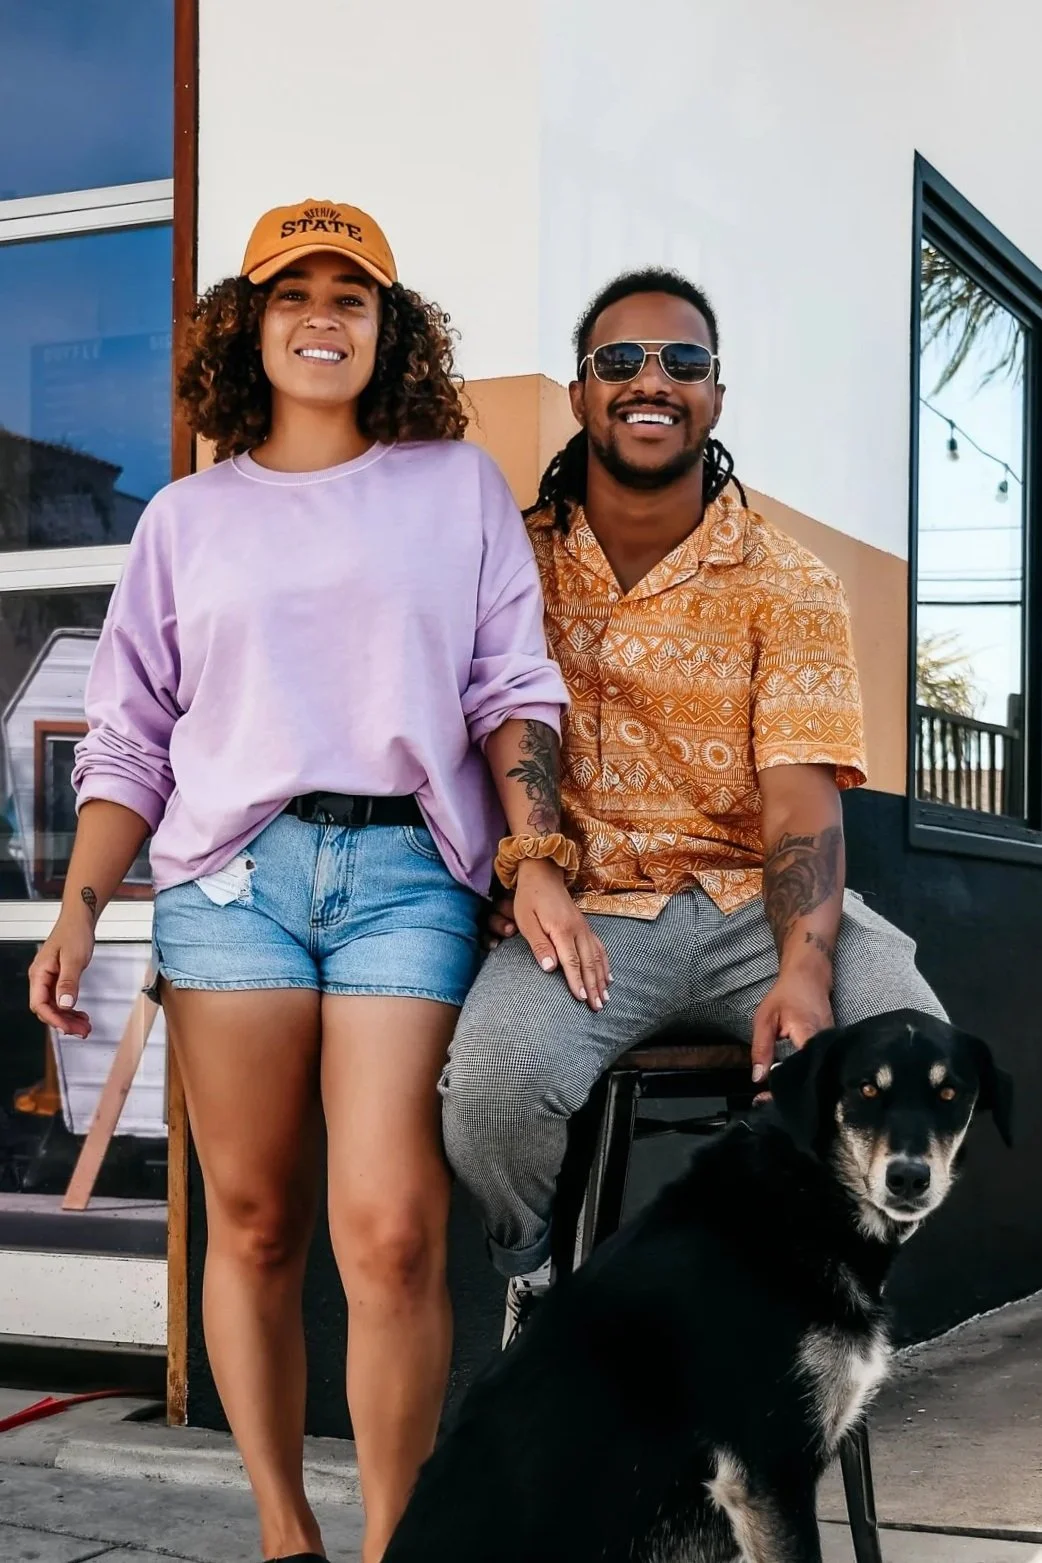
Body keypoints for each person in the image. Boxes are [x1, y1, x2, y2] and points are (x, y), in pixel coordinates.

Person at [27, 199, 609, 1563]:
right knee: (255, 1215)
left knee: (394, 1229)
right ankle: (288, 1533)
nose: (323, 317)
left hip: (408, 871)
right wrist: (79, 904)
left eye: (353, 295)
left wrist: (530, 855)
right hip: (231, 880)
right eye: (295, 293)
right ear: (252, 324)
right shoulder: (186, 516)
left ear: (388, 329)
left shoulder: (452, 484)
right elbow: (131, 733)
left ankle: (395, 1541)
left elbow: (511, 685)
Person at [440, 267, 946, 1336]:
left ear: (715, 396)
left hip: (747, 905)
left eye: (683, 361)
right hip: (587, 919)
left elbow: (801, 795)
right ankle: (535, 1279)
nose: (650, 380)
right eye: (617, 360)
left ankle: (820, 1285)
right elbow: (463, 731)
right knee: (489, 1094)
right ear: (578, 394)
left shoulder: (785, 576)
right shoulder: (507, 560)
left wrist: (805, 970)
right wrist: (513, 871)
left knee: (909, 1037)